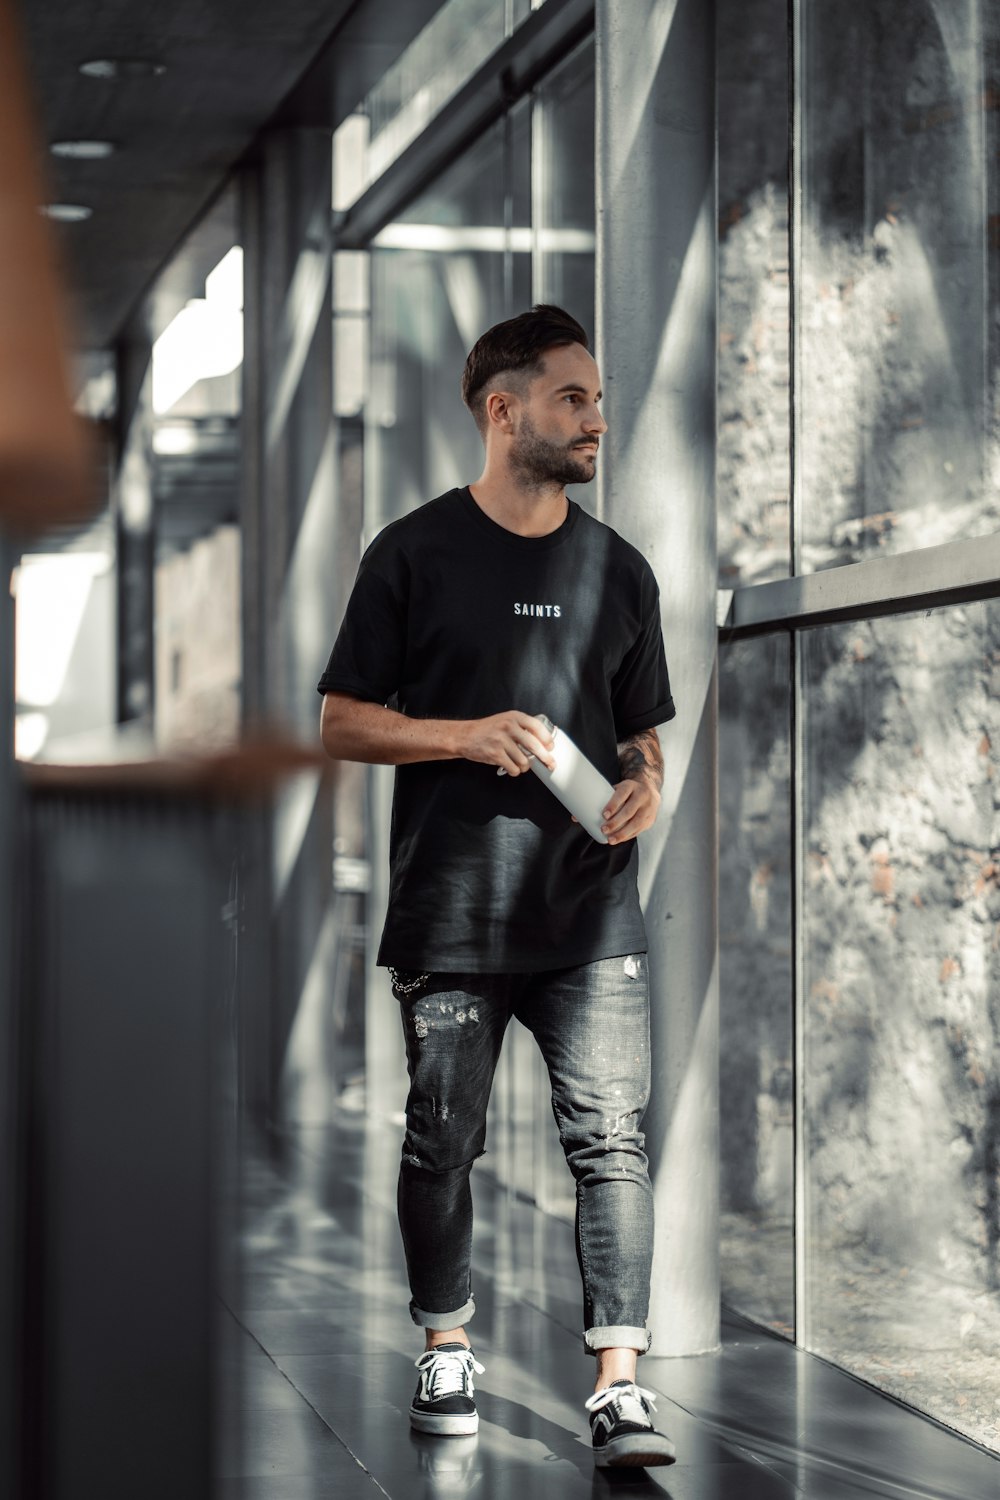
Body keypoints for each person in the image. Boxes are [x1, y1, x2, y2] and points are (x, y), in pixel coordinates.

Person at [318, 304, 677, 1469]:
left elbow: (642, 735)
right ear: (502, 408)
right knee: (440, 1144)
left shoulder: (619, 569)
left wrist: (642, 786)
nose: (595, 420)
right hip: (455, 911)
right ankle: (446, 1342)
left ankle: (619, 1385)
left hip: (589, 914)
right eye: (572, 398)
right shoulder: (410, 554)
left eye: (597, 400)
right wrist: (462, 737)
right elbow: (341, 725)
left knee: (612, 1143)